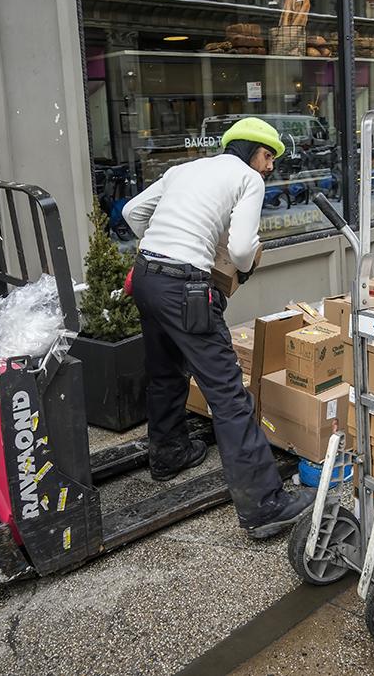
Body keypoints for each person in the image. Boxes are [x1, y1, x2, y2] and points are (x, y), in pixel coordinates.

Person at [121, 117, 315, 539]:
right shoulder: (247, 178)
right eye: (268, 156)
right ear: (250, 151)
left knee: (165, 370)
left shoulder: (184, 170)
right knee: (227, 393)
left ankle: (169, 453)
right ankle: (265, 506)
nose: (269, 167)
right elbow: (244, 248)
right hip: (185, 287)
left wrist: (160, 247)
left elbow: (132, 212)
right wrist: (240, 268)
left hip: (146, 277)